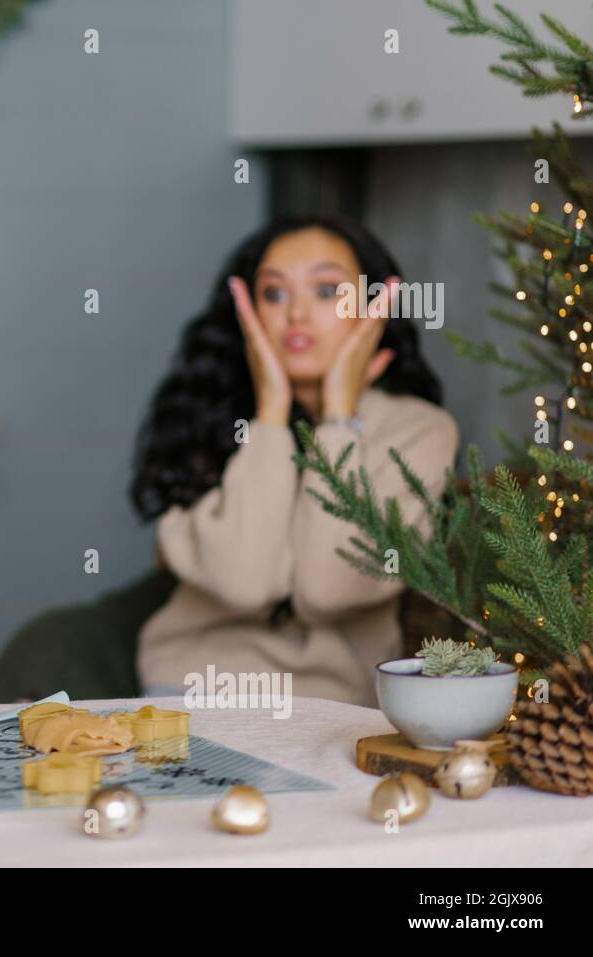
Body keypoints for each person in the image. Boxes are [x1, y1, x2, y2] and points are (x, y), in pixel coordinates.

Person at [129, 214, 457, 707]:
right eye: (275, 294)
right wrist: (270, 415)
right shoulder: (204, 416)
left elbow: (329, 589)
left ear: (374, 307)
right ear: (247, 315)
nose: (297, 314)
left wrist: (338, 418)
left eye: (327, 291)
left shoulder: (419, 431)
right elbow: (246, 583)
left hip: (332, 709)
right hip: (188, 690)